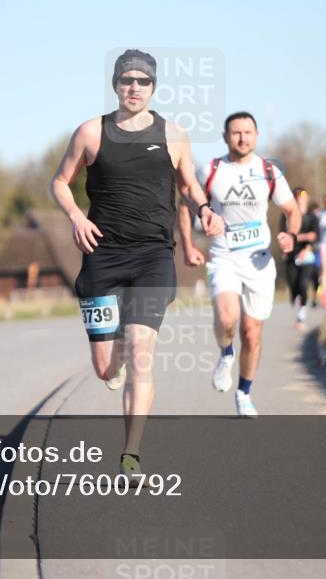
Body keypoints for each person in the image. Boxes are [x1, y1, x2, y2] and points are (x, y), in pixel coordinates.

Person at [50, 49, 224, 481]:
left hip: (152, 257)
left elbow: (189, 186)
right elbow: (59, 181)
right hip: (102, 257)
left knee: (142, 354)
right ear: (115, 84)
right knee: (106, 368)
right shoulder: (91, 132)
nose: (134, 87)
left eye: (143, 82)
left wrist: (204, 210)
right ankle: (117, 358)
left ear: (153, 87)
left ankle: (131, 453)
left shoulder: (174, 135)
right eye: (127, 80)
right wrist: (76, 216)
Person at [179, 111, 301, 417]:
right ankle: (225, 352)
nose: (242, 138)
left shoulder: (269, 171)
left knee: (251, 331)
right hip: (224, 258)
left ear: (256, 136)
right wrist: (188, 245)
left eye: (248, 132)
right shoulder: (211, 170)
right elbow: (185, 204)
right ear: (225, 137)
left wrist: (291, 234)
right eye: (236, 133)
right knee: (228, 317)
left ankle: (244, 393)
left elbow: (291, 209)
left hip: (258, 261)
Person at [281, 187, 319, 327]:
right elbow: (283, 233)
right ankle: (297, 300)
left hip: (307, 255)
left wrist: (303, 244)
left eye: (302, 194)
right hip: (291, 254)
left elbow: (315, 236)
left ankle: (301, 316)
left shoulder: (312, 217)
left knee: (303, 284)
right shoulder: (286, 215)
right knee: (293, 284)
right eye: (296, 195)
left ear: (307, 198)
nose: (299, 197)